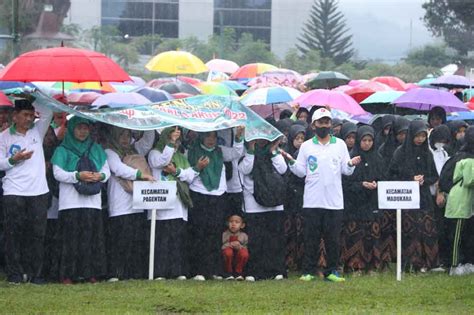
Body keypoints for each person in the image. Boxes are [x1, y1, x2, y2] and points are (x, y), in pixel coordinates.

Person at [282, 108, 361, 282]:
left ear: (330, 125)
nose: (324, 125)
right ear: (314, 125)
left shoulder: (339, 145)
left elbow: (346, 170)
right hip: (312, 200)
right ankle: (308, 271)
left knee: (332, 239)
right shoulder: (307, 146)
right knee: (311, 238)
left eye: (327, 122)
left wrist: (351, 164)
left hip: (334, 201)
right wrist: (291, 162)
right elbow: (302, 171)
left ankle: (332, 271)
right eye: (321, 122)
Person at [51, 116, 110, 284]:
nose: (83, 131)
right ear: (71, 129)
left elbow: (107, 171)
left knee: (91, 238)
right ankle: (68, 275)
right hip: (70, 202)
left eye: (85, 128)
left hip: (92, 202)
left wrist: (100, 175)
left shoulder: (96, 149)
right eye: (79, 128)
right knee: (71, 240)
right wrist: (77, 175)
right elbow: (58, 173)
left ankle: (92, 273)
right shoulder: (62, 149)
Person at [0, 98, 52, 285]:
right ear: (15, 116)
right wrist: (13, 160)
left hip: (38, 191)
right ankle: (14, 273)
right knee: (13, 234)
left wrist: (32, 94)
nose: (29, 119)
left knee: (37, 235)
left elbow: (47, 112)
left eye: (31, 115)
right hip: (14, 191)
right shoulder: (4, 137)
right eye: (25, 115)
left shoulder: (37, 131)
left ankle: (35, 274)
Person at [187, 128, 244, 281]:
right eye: (207, 136)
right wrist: (198, 167)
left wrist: (239, 137)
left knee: (214, 234)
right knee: (200, 233)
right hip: (199, 194)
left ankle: (214, 270)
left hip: (218, 196)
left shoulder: (220, 150)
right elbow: (186, 174)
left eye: (213, 136)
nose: (211, 140)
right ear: (201, 136)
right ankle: (198, 270)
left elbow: (236, 153)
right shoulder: (192, 151)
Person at [148, 126, 204, 280]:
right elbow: (163, 162)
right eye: (172, 138)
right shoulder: (155, 153)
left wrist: (181, 171)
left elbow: (189, 175)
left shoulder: (180, 157)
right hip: (161, 205)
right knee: (162, 240)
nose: (176, 143)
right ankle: (160, 272)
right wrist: (170, 143)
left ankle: (177, 272)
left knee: (177, 240)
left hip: (179, 204)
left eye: (178, 140)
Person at [104, 126, 155, 281]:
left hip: (137, 203)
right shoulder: (109, 151)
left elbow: (147, 141)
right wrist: (141, 175)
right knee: (120, 241)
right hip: (119, 204)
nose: (125, 138)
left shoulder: (134, 149)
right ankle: (117, 273)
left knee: (136, 241)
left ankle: (134, 273)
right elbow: (118, 169)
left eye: (128, 135)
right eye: (122, 135)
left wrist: (147, 118)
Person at [388, 120, 439, 272]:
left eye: (423, 136)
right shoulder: (400, 152)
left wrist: (424, 180)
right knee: (409, 231)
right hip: (406, 198)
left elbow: (434, 176)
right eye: (417, 136)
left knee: (426, 229)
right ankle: (409, 263)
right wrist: (410, 180)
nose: (420, 139)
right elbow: (392, 175)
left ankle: (428, 263)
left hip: (423, 198)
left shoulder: (427, 153)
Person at [238, 138, 288, 281]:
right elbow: (244, 169)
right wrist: (251, 150)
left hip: (274, 200)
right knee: (256, 239)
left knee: (274, 238)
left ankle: (277, 270)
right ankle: (255, 271)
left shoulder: (274, 151)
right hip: (253, 201)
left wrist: (273, 151)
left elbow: (282, 169)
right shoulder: (246, 150)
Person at [341, 126, 384, 274]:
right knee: (355, 235)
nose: (367, 143)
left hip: (372, 203)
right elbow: (345, 183)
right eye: (364, 140)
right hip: (355, 204)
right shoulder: (352, 158)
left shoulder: (378, 158)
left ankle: (372, 266)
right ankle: (354, 266)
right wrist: (361, 184)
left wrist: (376, 184)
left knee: (372, 234)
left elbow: (383, 177)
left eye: (370, 140)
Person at [439, 126, 474, 275]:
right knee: (457, 235)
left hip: (468, 203)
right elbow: (469, 180)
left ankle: (467, 262)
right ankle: (454, 264)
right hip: (460, 203)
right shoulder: (465, 159)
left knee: (468, 235)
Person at [284, 124, 306, 270]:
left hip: (303, 197)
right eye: (297, 138)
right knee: (289, 231)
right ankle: (289, 260)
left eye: (302, 138)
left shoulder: (306, 154)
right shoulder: (286, 155)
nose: (299, 142)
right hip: (289, 198)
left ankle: (301, 260)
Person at [428, 124, 451, 269]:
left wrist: (441, 190)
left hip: (440, 194)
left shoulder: (443, 153)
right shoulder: (428, 152)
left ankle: (441, 258)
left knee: (441, 228)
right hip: (429, 194)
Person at [221, 214, 249, 280]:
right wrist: (230, 244)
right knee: (228, 252)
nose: (233, 224)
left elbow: (246, 246)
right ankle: (228, 272)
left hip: (239, 253)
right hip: (228, 254)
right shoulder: (224, 234)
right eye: (231, 222)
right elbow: (222, 246)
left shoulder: (244, 235)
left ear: (242, 225)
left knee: (244, 253)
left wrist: (240, 246)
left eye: (237, 222)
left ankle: (238, 272)